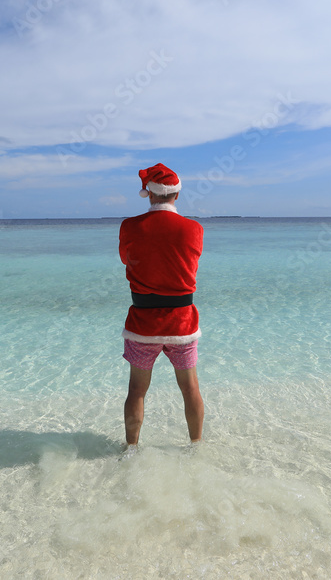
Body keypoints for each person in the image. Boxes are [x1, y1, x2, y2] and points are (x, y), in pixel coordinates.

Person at [119, 163, 204, 450]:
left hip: (143, 323)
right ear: (176, 195)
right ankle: (196, 447)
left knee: (137, 390)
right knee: (189, 388)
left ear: (149, 194)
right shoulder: (194, 229)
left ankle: (131, 450)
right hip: (182, 323)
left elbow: (125, 259)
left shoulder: (130, 227)